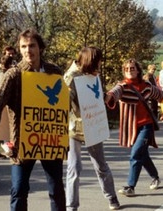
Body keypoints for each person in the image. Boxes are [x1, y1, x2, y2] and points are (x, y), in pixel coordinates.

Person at [0, 28, 66, 211]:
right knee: (19, 190)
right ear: (19, 49)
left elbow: (64, 102)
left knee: (56, 188)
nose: (28, 50)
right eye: (24, 46)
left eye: (32, 45)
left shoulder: (54, 72)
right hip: (22, 141)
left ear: (40, 48)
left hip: (49, 139)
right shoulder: (13, 74)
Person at [63, 46, 120, 210]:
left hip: (93, 126)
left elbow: (96, 96)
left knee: (101, 165)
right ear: (90, 61)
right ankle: (71, 206)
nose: (100, 66)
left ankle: (111, 197)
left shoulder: (92, 74)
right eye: (98, 62)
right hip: (75, 129)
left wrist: (106, 96)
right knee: (74, 168)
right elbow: (65, 103)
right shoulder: (71, 77)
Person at [104, 58, 163, 196]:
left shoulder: (146, 86)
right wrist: (106, 97)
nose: (129, 71)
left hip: (146, 126)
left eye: (132, 68)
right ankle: (155, 177)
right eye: (126, 69)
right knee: (142, 155)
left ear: (138, 70)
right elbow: (113, 93)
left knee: (136, 154)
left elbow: (162, 96)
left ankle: (130, 186)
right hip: (131, 128)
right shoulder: (122, 86)